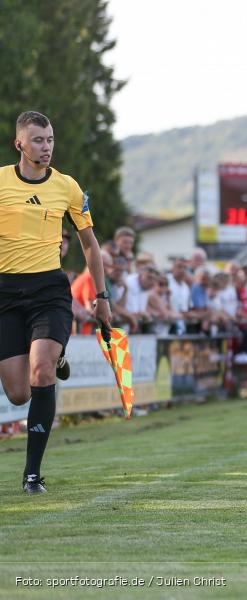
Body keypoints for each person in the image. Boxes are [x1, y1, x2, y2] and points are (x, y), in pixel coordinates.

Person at [0, 111, 111, 494]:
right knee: (18, 392)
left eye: (49, 140)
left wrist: (101, 298)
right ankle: (56, 356)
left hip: (49, 290)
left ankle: (32, 475)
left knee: (41, 372)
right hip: (6, 294)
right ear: (20, 144)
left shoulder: (67, 186)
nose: (45, 147)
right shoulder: (0, 182)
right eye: (37, 141)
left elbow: (89, 244)